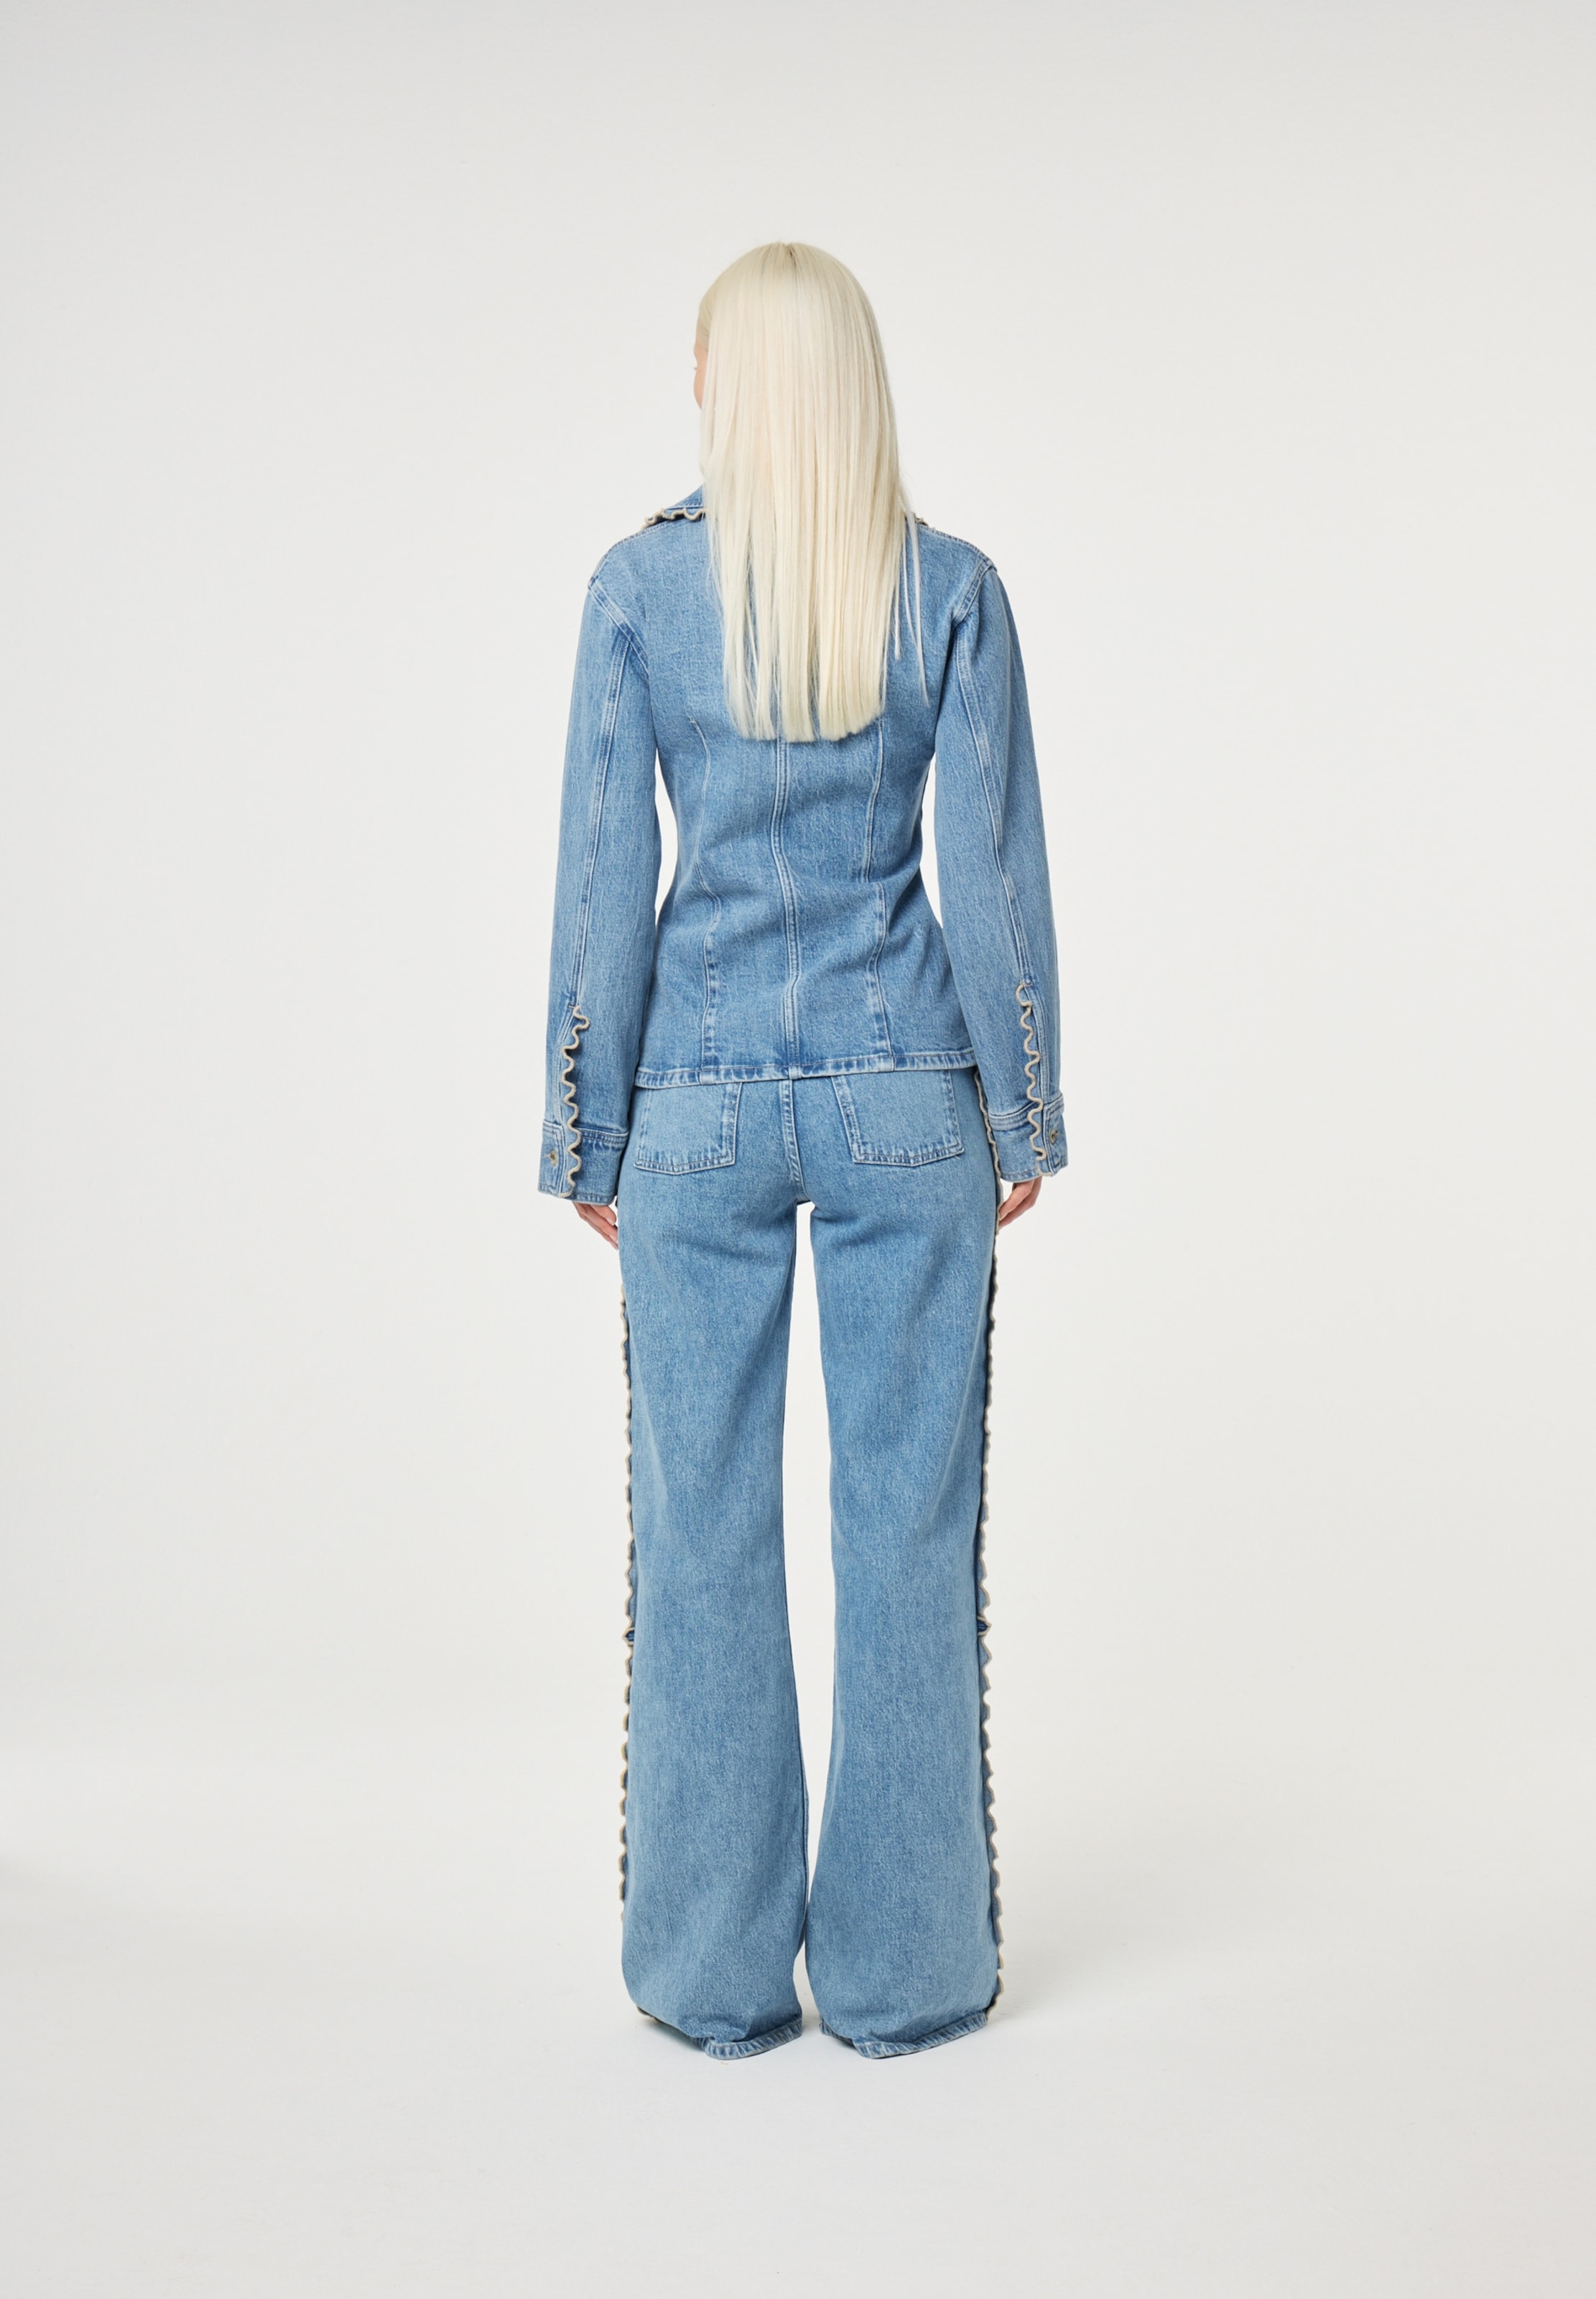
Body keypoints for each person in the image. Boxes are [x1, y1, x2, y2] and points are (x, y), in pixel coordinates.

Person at [540, 242, 1064, 2058]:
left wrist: (588, 1125)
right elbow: (986, 870)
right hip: (907, 1087)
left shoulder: (637, 588)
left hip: (690, 1105)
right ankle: (909, 1976)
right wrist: (1020, 1105)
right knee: (907, 1523)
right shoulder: (951, 587)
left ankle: (709, 1974)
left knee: (700, 1529)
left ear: (725, 381)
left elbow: (607, 866)